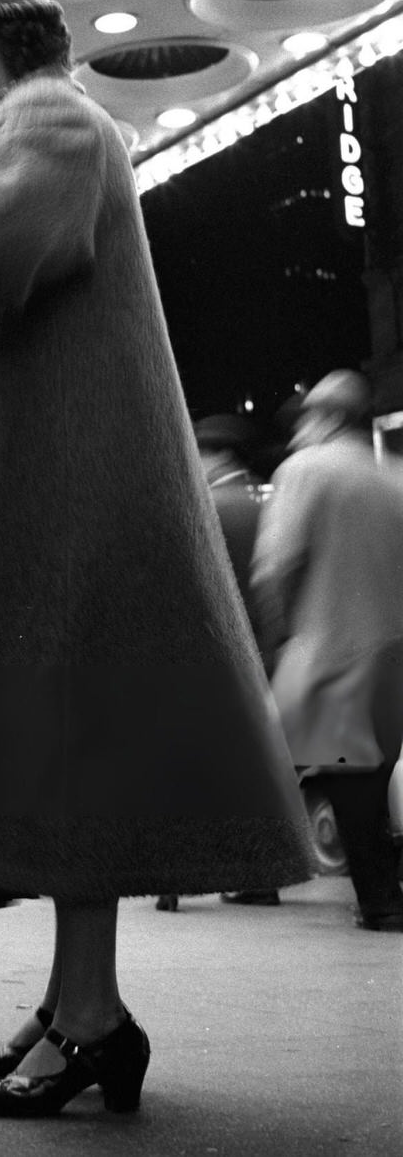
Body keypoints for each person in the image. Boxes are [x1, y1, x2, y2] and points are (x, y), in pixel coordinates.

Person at [0, 0, 313, 1117]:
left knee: (70, 745)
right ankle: (72, 1003)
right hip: (69, 477)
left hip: (74, 487)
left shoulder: (47, 120)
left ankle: (90, 1018)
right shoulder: (61, 129)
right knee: (67, 747)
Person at [252, 370, 403, 932]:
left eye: (309, 416)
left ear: (330, 417)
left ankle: (255, 875)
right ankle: (380, 893)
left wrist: (275, 638)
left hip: (329, 651)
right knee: (363, 781)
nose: (299, 430)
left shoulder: (306, 471)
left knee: (272, 766)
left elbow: (274, 567)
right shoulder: (394, 478)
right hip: (393, 659)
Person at [158, 413, 271, 911]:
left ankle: (174, 876)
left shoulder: (204, 508)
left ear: (215, 455)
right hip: (259, 658)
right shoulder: (261, 505)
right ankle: (259, 877)